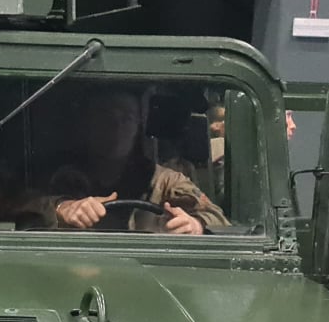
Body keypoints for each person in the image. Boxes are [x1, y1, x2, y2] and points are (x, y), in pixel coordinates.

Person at [46, 87, 225, 235]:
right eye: (105, 117)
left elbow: (218, 219)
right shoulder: (61, 178)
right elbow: (30, 205)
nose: (116, 127)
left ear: (138, 127)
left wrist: (196, 224)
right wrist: (63, 207)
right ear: (89, 124)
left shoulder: (165, 182)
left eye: (127, 118)